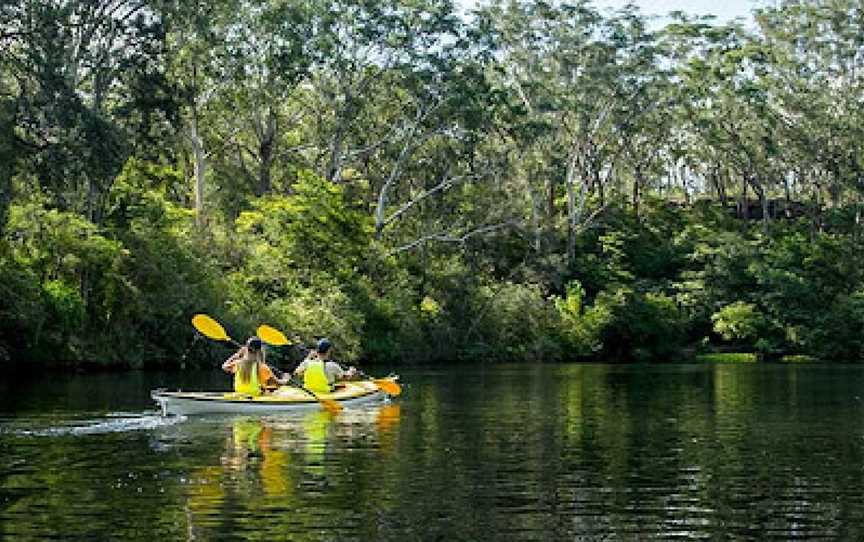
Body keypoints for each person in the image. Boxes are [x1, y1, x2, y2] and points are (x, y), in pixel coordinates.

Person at [222, 337, 288, 396]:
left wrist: (236, 355)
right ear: (259, 351)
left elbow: (224, 366)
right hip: (256, 396)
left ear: (246, 349)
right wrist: (286, 378)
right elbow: (279, 383)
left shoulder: (238, 363)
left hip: (239, 395)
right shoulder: (262, 367)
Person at [293, 338, 357, 393]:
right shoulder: (332, 365)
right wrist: (351, 371)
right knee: (342, 386)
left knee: (340, 385)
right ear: (329, 351)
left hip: (309, 391)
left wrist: (308, 357)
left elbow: (296, 373)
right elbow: (346, 377)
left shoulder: (307, 362)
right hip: (325, 393)